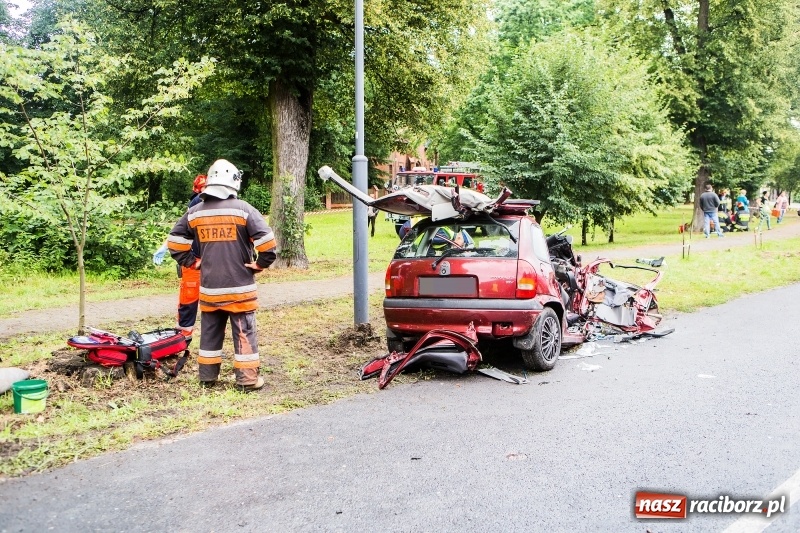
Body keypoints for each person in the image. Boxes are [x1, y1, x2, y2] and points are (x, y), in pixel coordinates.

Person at [168, 159, 277, 390]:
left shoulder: (194, 212)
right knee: (244, 332)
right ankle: (248, 380)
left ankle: (207, 377)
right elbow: (268, 244)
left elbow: (175, 242)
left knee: (210, 333)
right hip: (240, 289)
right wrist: (260, 264)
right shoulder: (244, 210)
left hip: (210, 289)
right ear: (234, 183)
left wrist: (192, 262)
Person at [152, 174, 208, 344]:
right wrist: (166, 245)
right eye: (202, 188)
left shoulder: (205, 202)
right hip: (196, 261)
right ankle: (183, 336)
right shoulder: (199, 202)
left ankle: (185, 336)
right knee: (190, 299)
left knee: (199, 301)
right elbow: (182, 229)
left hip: (205, 260)